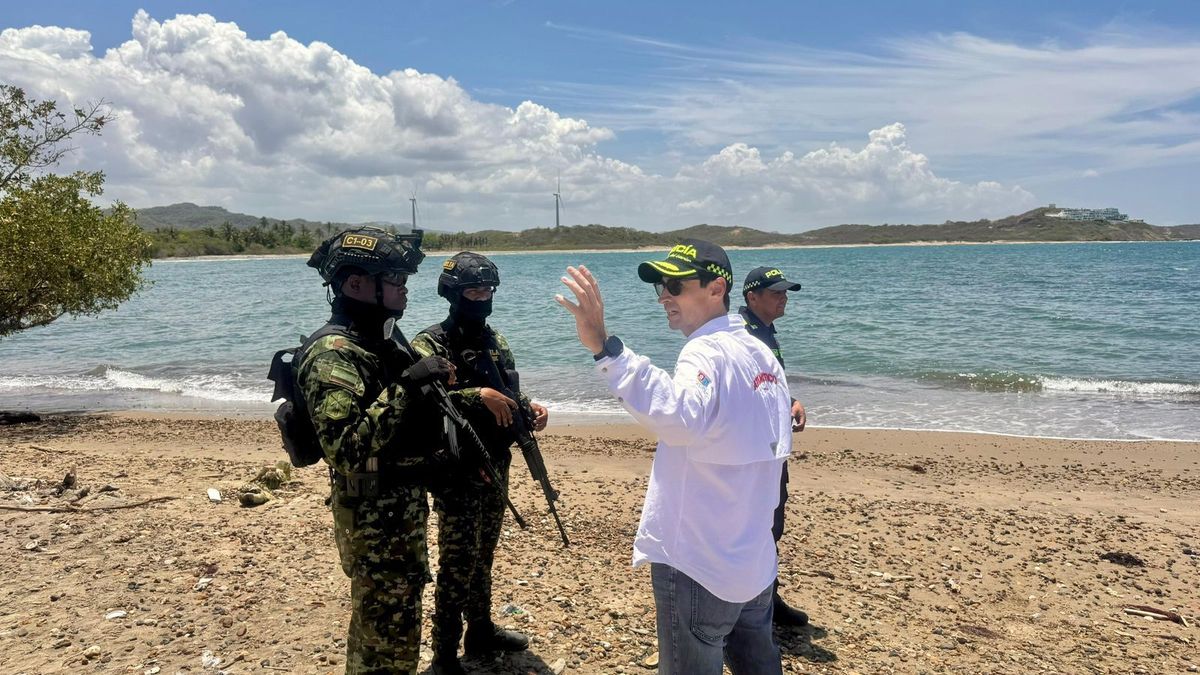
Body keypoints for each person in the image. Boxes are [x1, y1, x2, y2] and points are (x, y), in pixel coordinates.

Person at [556, 239, 792, 675]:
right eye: (661, 286)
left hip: (701, 560)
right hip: (753, 556)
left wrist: (606, 349)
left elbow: (678, 417)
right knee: (758, 661)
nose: (664, 295)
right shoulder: (760, 353)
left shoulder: (707, 350)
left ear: (716, 289)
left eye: (675, 285)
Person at [299, 227, 454, 674]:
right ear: (356, 284)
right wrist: (408, 385)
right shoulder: (335, 353)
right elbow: (346, 449)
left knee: (393, 630)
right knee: (382, 635)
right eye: (394, 279)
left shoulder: (381, 339)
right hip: (372, 516)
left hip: (397, 511)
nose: (404, 288)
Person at [411, 252, 548, 675]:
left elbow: (508, 388)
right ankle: (445, 656)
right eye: (474, 290)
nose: (482, 297)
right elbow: (416, 404)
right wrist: (478, 397)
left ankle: (481, 630)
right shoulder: (429, 344)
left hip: (495, 464)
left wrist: (530, 408)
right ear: (452, 293)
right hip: (456, 470)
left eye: (488, 290)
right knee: (457, 564)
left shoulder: (495, 340)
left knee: (484, 555)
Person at [740, 266, 810, 627]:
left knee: (772, 523)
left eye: (785, 292)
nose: (784, 298)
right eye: (776, 292)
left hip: (770, 446)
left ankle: (766, 599)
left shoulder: (765, 331)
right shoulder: (745, 336)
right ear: (752, 297)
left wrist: (791, 400)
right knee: (763, 524)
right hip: (757, 450)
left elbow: (769, 383)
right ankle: (756, 607)